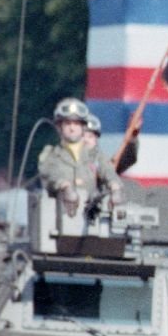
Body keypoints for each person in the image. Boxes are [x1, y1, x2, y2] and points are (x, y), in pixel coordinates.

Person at [37, 97, 124, 234]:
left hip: (91, 226)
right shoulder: (52, 155)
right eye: (67, 123)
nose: (72, 128)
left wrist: (115, 188)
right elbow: (50, 174)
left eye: (76, 124)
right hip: (60, 224)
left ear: (83, 127)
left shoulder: (95, 156)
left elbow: (108, 172)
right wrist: (65, 186)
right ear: (60, 126)